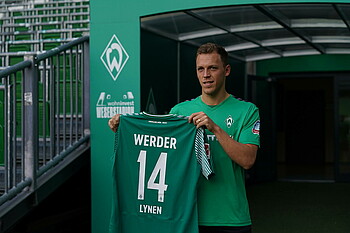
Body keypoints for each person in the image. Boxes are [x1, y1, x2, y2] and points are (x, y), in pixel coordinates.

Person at [108, 43, 260, 233]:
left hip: (230, 219)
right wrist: (125, 130)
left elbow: (248, 160)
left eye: (212, 68)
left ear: (226, 70)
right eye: (200, 69)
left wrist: (215, 128)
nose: (206, 75)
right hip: (185, 216)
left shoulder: (247, 111)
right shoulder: (180, 112)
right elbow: (157, 150)